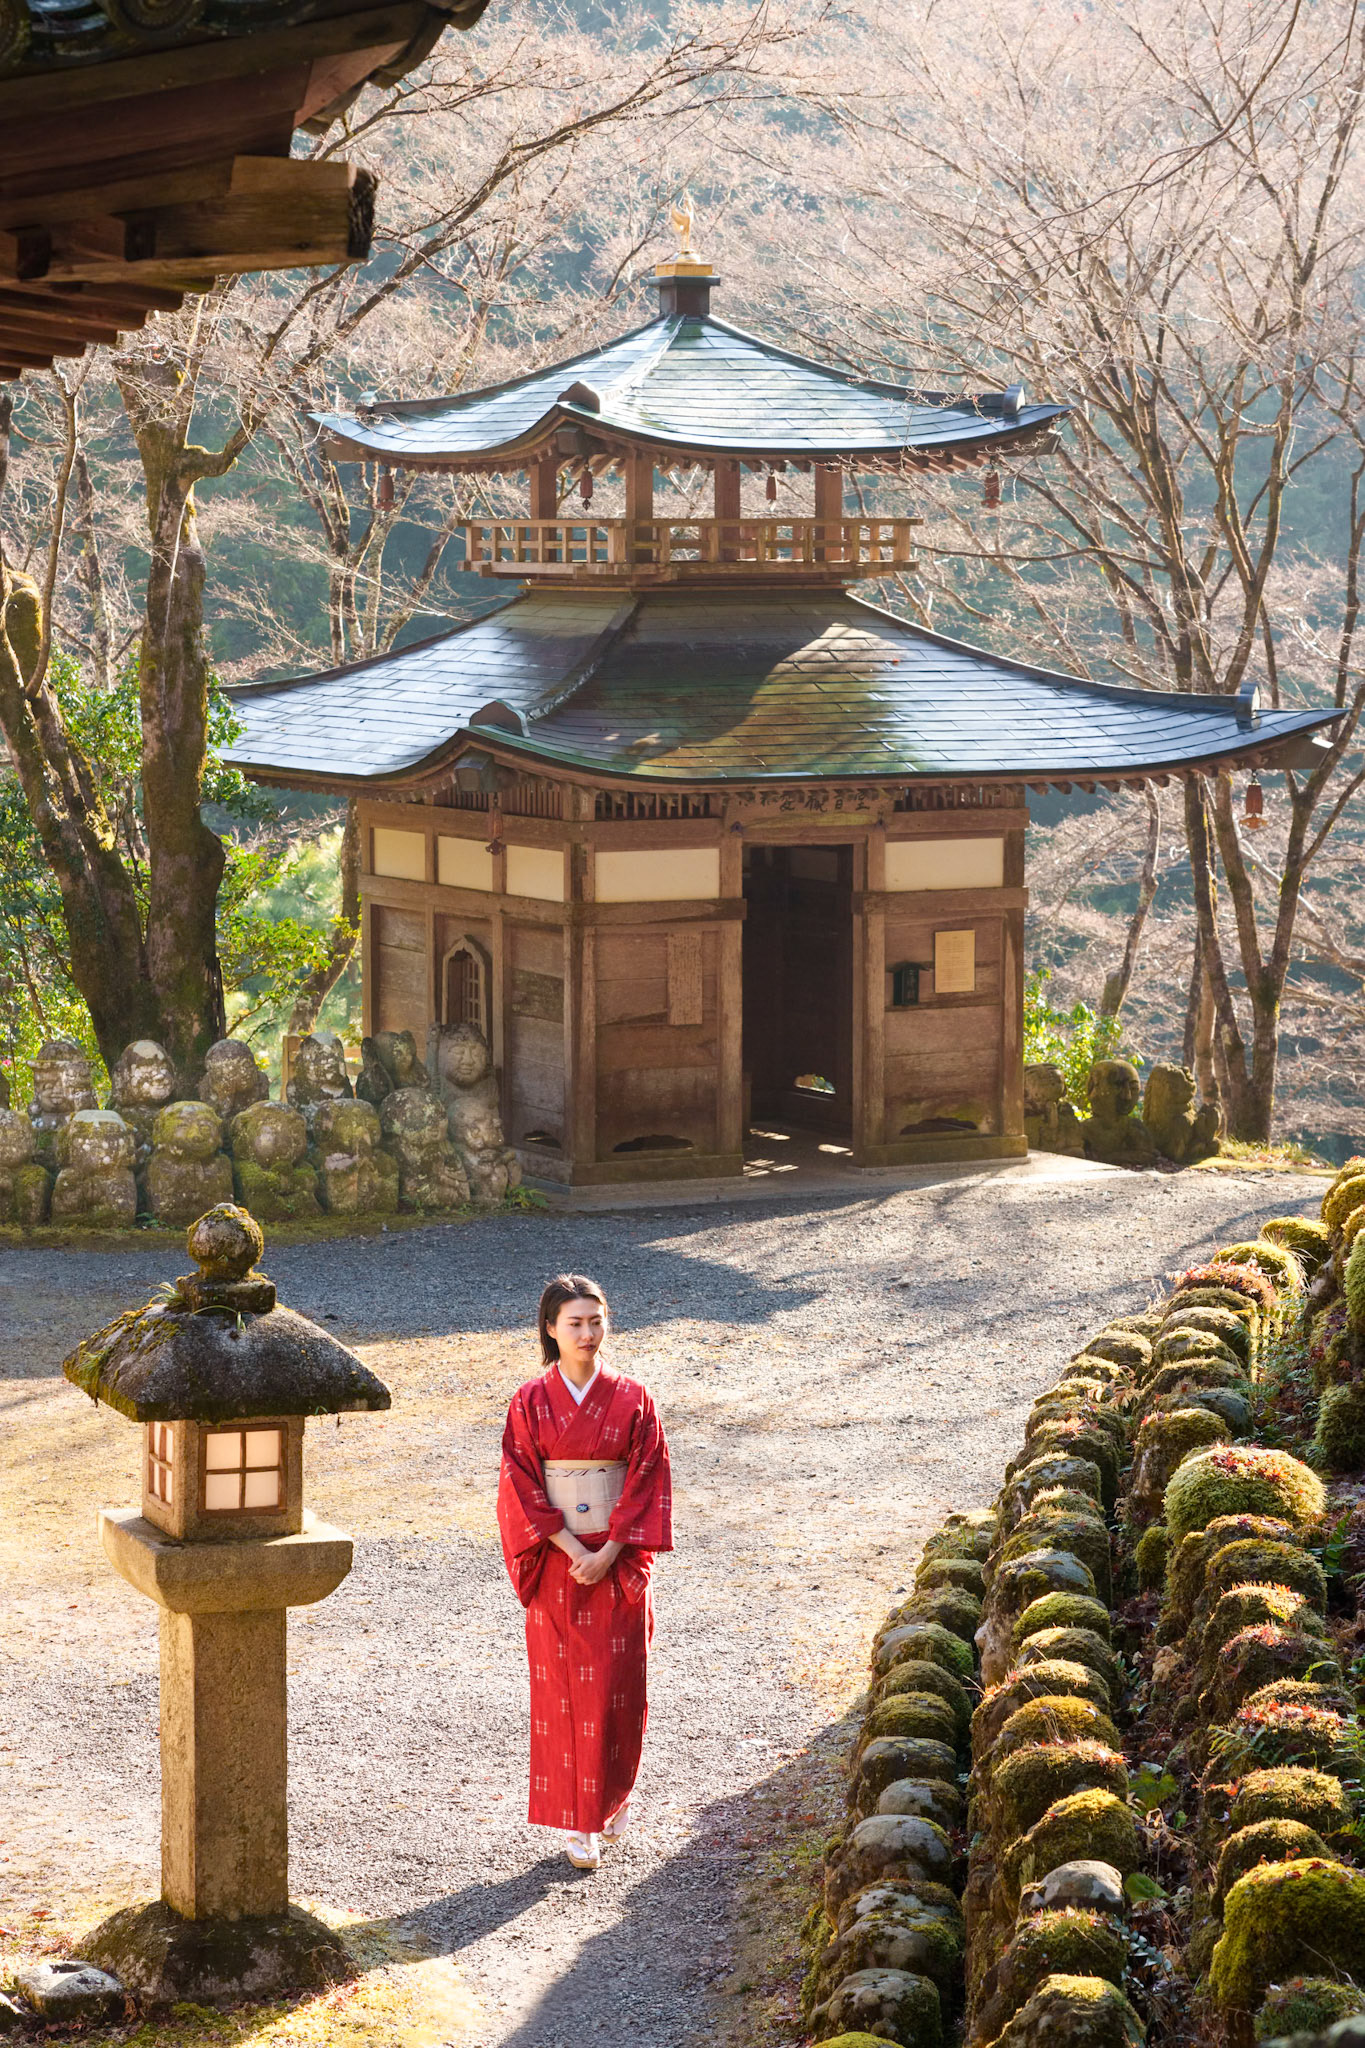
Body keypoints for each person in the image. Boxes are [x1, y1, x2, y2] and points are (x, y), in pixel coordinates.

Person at [497, 1273, 672, 1871]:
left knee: (621, 1684)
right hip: (558, 1562)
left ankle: (615, 1797)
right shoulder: (530, 1401)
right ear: (551, 1329)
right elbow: (520, 1485)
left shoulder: (634, 1399)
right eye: (574, 1323)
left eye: (597, 1321)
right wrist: (574, 1549)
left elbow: (647, 1478)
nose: (588, 1333)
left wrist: (612, 1550)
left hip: (618, 1560)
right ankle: (577, 1824)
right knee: (563, 1691)